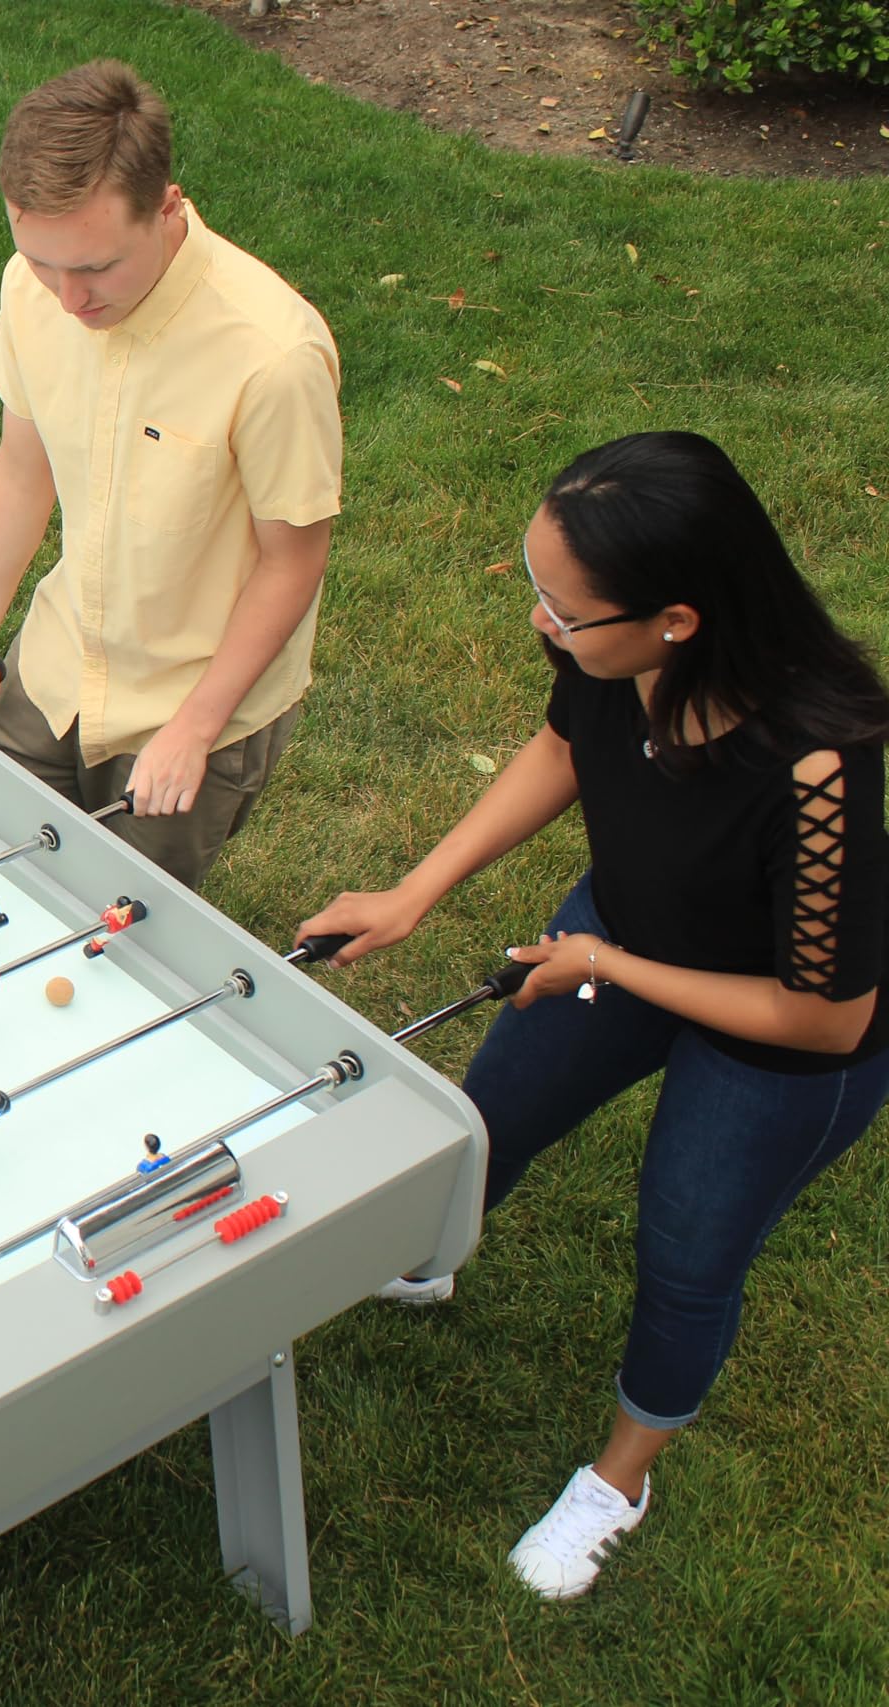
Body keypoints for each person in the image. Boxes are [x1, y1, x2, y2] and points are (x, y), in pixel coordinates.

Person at [298, 432, 889, 1600]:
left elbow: (821, 1016)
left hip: (773, 1030)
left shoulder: (817, 767)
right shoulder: (610, 655)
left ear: (677, 617)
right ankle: (432, 1260)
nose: (541, 625)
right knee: (490, 1117)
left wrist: (608, 966)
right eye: (535, 589)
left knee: (686, 1247)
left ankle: (617, 1482)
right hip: (618, 938)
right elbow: (567, 746)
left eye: (564, 611)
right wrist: (416, 892)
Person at [0, 60, 342, 890]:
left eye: (98, 269)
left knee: (111, 939)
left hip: (192, 708)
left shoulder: (274, 357)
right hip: (54, 668)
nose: (68, 297)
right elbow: (23, 466)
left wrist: (194, 727)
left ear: (168, 206)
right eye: (43, 262)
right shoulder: (33, 288)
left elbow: (291, 561)